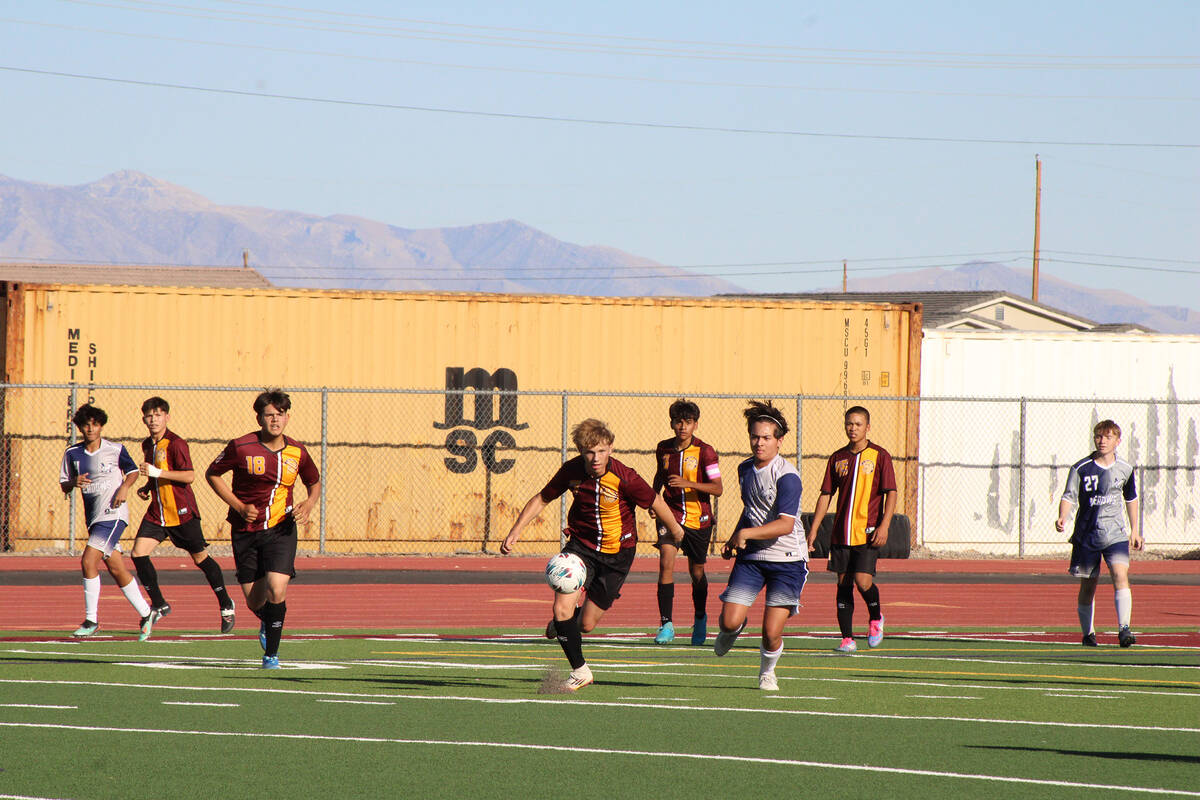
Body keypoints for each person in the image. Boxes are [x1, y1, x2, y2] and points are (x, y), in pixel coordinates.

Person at [501, 418, 683, 691]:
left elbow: (655, 501)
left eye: (601, 451)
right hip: (580, 547)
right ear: (580, 451)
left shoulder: (626, 477)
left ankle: (564, 625)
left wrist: (677, 533)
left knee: (586, 624)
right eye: (589, 452)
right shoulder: (572, 470)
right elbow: (542, 498)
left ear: (610, 448)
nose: (595, 458)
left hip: (618, 554)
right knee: (562, 608)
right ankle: (580, 671)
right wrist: (516, 530)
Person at [206, 390, 320, 669]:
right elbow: (212, 474)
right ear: (259, 417)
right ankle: (268, 620)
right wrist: (239, 505)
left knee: (277, 588)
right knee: (255, 600)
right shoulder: (241, 447)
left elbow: (314, 482)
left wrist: (308, 504)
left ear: (287, 417)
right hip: (245, 531)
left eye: (280, 414)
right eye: (269, 414)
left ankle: (271, 655)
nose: (275, 420)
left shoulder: (297, 451)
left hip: (281, 529)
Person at [712, 401, 809, 691]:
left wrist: (747, 534)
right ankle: (734, 628)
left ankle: (767, 672)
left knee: (770, 632)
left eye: (766, 438)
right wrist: (734, 537)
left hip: (787, 560)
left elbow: (785, 524)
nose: (759, 443)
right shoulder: (744, 469)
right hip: (753, 557)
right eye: (755, 436)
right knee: (729, 622)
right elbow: (751, 510)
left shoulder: (788, 476)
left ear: (779, 441)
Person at [130, 397, 236, 634]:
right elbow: (157, 475)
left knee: (201, 559)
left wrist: (157, 472)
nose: (153, 419)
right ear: (143, 418)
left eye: (158, 414)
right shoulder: (147, 445)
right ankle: (159, 603)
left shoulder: (177, 443)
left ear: (167, 416)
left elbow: (189, 476)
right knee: (138, 553)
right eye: (149, 415)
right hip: (158, 513)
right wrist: (148, 486)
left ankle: (226, 604)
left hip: (182, 513)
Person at [59, 403, 155, 640]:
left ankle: (91, 620)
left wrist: (124, 487)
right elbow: (64, 483)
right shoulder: (73, 453)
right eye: (86, 424)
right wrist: (74, 482)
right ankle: (146, 613)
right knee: (115, 567)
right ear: (80, 427)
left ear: (101, 425)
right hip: (94, 519)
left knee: (88, 560)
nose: (90, 428)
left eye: (95, 424)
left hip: (114, 515)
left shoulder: (115, 449)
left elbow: (132, 471)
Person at [808, 406, 896, 654]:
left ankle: (876, 617)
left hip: (868, 532)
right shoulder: (837, 458)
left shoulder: (880, 456)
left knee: (862, 580)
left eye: (858, 424)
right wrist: (813, 529)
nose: (853, 428)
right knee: (843, 583)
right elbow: (826, 494)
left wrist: (885, 525)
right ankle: (847, 638)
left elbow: (891, 493)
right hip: (841, 533)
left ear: (867, 427)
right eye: (849, 423)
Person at [1056, 419, 1141, 648]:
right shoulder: (1081, 468)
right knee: (1088, 585)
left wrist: (1135, 530)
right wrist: (1063, 516)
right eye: (1099, 436)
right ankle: (1088, 634)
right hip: (1087, 535)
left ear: (1118, 441)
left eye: (1108, 437)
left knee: (1119, 575)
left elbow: (1130, 498)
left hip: (1115, 534)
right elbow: (1069, 496)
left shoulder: (1125, 469)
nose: (1102, 441)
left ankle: (1124, 629)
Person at [650, 399, 723, 645]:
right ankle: (666, 624)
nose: (683, 426)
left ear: (695, 424)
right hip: (670, 515)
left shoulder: (706, 451)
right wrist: (653, 500)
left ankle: (700, 618)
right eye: (678, 421)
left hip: (698, 519)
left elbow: (718, 488)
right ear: (672, 423)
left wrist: (688, 483)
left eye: (688, 422)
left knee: (697, 571)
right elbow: (659, 475)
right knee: (665, 564)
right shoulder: (663, 448)